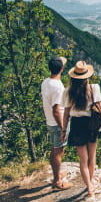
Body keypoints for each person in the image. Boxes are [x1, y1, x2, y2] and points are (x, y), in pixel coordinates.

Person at [60, 60, 101, 196]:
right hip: (92, 124)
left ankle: (89, 187)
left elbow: (66, 114)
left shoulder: (68, 92)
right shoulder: (94, 88)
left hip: (77, 125)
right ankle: (92, 181)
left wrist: (64, 130)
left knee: (83, 160)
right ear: (87, 76)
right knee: (92, 156)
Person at [41, 57, 73, 190]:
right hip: (57, 123)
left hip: (50, 121)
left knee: (54, 149)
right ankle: (57, 181)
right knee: (58, 152)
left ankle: (56, 174)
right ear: (62, 69)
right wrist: (63, 128)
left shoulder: (46, 82)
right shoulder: (58, 87)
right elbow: (56, 110)